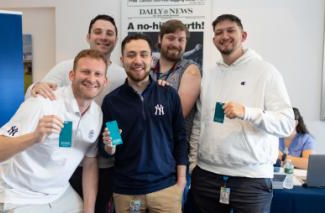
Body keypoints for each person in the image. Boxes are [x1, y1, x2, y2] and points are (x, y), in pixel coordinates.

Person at [190, 14, 295, 213]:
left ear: (243, 35)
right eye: (219, 32)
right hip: (207, 176)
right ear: (213, 40)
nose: (224, 36)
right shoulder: (210, 75)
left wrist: (248, 112)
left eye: (231, 30)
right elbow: (199, 122)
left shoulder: (266, 72)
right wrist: (194, 164)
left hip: (251, 179)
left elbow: (286, 124)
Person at [0, 49, 108, 213]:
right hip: (18, 196)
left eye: (98, 74)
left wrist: (89, 210)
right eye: (85, 72)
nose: (92, 79)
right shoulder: (43, 103)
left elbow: (90, 161)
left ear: (105, 81)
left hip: (58, 194)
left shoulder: (96, 114)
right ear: (71, 76)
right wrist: (34, 137)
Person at [26, 14, 126, 213]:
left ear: (115, 39)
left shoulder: (121, 75)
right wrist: (35, 87)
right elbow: (34, 93)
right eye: (98, 32)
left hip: (105, 162)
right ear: (88, 36)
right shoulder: (67, 67)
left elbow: (121, 112)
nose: (103, 37)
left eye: (109, 33)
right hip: (70, 160)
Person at [101, 33, 188, 213]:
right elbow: (110, 149)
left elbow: (180, 139)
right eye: (131, 55)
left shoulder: (168, 95)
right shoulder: (112, 101)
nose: (137, 60)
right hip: (127, 192)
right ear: (122, 59)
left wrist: (181, 182)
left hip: (166, 189)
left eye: (143, 54)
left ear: (151, 58)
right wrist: (109, 146)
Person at [149, 19, 201, 211]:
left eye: (181, 39)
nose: (176, 43)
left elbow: (176, 116)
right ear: (160, 39)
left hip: (173, 162)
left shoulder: (190, 70)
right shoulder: (147, 67)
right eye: (171, 38)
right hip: (143, 158)